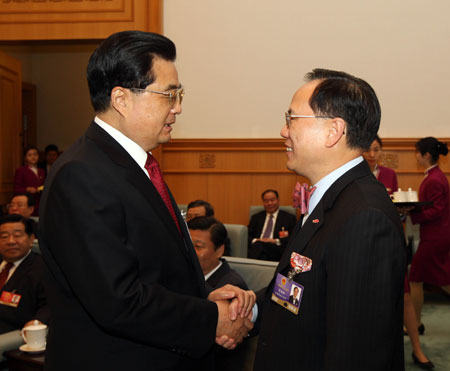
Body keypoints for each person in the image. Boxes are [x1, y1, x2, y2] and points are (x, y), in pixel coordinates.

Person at [39, 31, 254, 371]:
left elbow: (154, 271)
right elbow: (118, 300)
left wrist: (203, 300)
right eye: (169, 95)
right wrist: (210, 318)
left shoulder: (134, 164)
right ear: (121, 98)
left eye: (179, 94)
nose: (178, 107)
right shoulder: (82, 174)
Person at [253, 69, 406, 371]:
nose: (284, 131)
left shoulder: (365, 218)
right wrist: (247, 306)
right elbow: (298, 286)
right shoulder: (330, 198)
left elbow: (357, 354)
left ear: (333, 131)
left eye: (291, 119)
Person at [365, 137, 433, 368]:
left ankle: (416, 349)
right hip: (363, 240)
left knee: (404, 296)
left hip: (390, 238)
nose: (372, 154)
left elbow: (395, 205)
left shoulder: (388, 174)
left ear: (381, 151)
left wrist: (402, 211)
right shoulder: (353, 174)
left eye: (376, 149)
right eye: (368, 149)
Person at [409, 137, 450, 337]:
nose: (416, 156)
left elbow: (437, 210)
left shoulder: (434, 179)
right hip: (436, 236)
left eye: (418, 152)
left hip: (436, 237)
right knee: (425, 278)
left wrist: (413, 214)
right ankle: (416, 323)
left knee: (416, 277)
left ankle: (415, 324)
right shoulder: (434, 176)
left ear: (426, 155)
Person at [0, 214, 49, 333]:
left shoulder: (42, 268)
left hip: (13, 337)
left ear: (31, 239)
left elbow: (50, 305)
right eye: (4, 236)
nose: (11, 241)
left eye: (17, 235)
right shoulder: (2, 265)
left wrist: (37, 322)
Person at [188, 216, 247, 291]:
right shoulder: (180, 273)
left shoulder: (231, 287)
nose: (189, 251)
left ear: (219, 251)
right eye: (187, 244)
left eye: (198, 246)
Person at [247, 189, 297, 261]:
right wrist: (256, 240)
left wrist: (275, 241)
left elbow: (293, 237)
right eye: (266, 201)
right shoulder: (256, 217)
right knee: (259, 247)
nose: (269, 203)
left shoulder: (288, 218)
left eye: (272, 200)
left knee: (259, 247)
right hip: (258, 247)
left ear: (278, 200)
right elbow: (247, 234)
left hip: (276, 249)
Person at [13, 146, 45, 216]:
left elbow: (44, 185)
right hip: (27, 203)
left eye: (35, 154)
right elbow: (16, 189)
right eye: (30, 155)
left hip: (39, 203)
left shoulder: (42, 171)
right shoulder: (21, 171)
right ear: (25, 158)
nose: (33, 157)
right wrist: (28, 189)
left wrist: (41, 188)